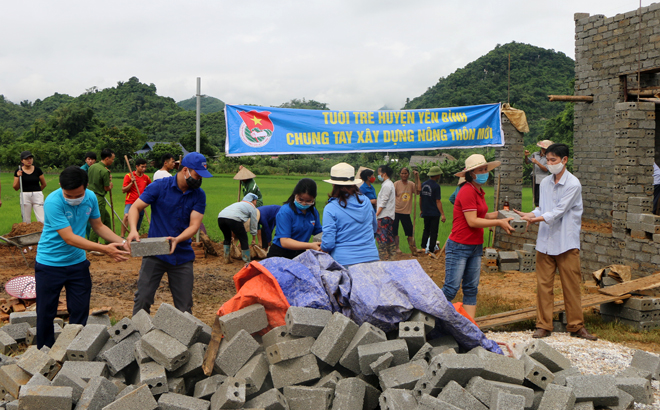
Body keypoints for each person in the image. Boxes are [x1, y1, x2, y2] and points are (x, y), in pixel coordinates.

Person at [35, 166, 130, 348]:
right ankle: (44, 353)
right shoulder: (53, 201)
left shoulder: (91, 197)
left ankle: (75, 350)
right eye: (67, 195)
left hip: (77, 264)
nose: (72, 199)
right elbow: (69, 237)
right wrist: (105, 249)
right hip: (49, 264)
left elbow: (98, 226)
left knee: (79, 310)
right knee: (46, 312)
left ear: (85, 187)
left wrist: (122, 242)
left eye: (76, 195)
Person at [515, 143, 597, 341]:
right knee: (544, 285)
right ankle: (543, 325)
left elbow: (558, 211)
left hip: (566, 242)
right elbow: (542, 208)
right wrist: (529, 214)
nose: (550, 164)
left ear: (564, 160)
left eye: (553, 160)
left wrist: (536, 219)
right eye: (548, 160)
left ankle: (576, 325)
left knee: (571, 286)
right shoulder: (544, 183)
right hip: (545, 241)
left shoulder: (573, 184)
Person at [127, 152, 212, 315]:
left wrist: (178, 239)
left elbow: (194, 225)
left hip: (182, 255)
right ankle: (136, 335)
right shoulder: (159, 187)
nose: (199, 179)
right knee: (143, 298)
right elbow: (135, 208)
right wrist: (133, 230)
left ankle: (183, 339)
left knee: (185, 306)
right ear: (185, 170)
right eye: (197, 175)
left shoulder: (199, 195)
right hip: (155, 252)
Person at [443, 154, 513, 320]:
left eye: (485, 169)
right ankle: (429, 319)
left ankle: (470, 326)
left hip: (475, 246)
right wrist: (499, 222)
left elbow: (482, 215)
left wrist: (501, 215)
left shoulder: (478, 191)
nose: (484, 172)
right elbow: (473, 221)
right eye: (480, 170)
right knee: (451, 288)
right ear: (471, 173)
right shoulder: (467, 191)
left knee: (471, 288)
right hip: (460, 245)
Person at [321, 163, 378, 267]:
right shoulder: (366, 201)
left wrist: (322, 247)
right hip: (371, 258)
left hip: (344, 262)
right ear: (353, 183)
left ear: (333, 184)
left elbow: (328, 243)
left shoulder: (331, 208)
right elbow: (374, 228)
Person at [267, 178, 322, 259]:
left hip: (300, 254)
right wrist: (310, 245)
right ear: (295, 195)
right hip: (280, 254)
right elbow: (285, 241)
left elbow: (319, 232)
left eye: (308, 201)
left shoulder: (313, 212)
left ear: (313, 199)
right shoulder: (285, 212)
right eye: (301, 199)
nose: (303, 203)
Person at [218, 193, 259, 264]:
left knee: (227, 238)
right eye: (256, 201)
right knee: (244, 239)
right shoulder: (252, 207)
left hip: (221, 218)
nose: (256, 203)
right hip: (234, 219)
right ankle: (247, 262)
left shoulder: (238, 203)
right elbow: (253, 223)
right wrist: (253, 235)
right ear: (253, 201)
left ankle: (226, 259)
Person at [87, 148, 115, 243]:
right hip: (99, 197)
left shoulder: (92, 167)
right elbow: (106, 188)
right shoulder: (104, 171)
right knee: (98, 222)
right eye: (112, 159)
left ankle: (109, 241)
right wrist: (111, 184)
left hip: (90, 195)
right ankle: (93, 244)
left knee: (106, 218)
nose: (113, 161)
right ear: (107, 158)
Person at [13, 151, 47, 223]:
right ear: (22, 160)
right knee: (26, 220)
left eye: (30, 158)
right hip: (24, 195)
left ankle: (42, 233)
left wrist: (36, 191)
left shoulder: (37, 170)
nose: (29, 160)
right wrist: (19, 176)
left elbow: (44, 184)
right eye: (26, 159)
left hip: (37, 195)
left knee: (42, 219)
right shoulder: (18, 171)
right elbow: (15, 187)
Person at [121, 158, 152, 237]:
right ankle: (122, 236)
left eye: (145, 167)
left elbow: (151, 187)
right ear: (137, 166)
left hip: (141, 202)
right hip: (130, 201)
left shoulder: (146, 178)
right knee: (126, 216)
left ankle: (134, 236)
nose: (144, 169)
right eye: (142, 167)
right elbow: (123, 190)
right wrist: (131, 183)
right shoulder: (129, 176)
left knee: (138, 220)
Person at [419, 166, 446, 254]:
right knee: (434, 231)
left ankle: (423, 247)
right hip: (434, 212)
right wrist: (442, 214)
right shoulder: (436, 186)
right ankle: (431, 249)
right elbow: (437, 201)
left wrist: (421, 210)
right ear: (437, 175)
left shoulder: (423, 184)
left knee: (426, 229)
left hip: (426, 212)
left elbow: (421, 199)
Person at [393, 167, 420, 254]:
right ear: (400, 174)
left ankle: (413, 247)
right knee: (395, 230)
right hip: (396, 210)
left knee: (409, 231)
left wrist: (417, 177)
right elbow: (391, 196)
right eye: (402, 173)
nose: (404, 175)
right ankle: (397, 248)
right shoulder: (396, 184)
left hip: (406, 212)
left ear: (408, 174)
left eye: (405, 173)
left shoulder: (411, 184)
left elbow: (418, 190)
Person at [376, 164, 396, 260]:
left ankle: (383, 257)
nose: (378, 175)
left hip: (384, 215)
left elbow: (383, 201)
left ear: (384, 174)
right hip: (388, 215)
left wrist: (377, 214)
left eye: (379, 173)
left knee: (382, 237)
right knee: (389, 236)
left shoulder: (387, 185)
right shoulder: (388, 184)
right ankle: (392, 257)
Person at [525, 140, 553, 207]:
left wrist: (537, 162)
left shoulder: (549, 157)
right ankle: (537, 208)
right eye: (543, 148)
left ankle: (541, 208)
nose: (544, 150)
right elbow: (527, 162)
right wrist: (526, 156)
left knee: (541, 195)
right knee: (535, 195)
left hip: (543, 178)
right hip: (534, 176)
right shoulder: (535, 154)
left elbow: (546, 169)